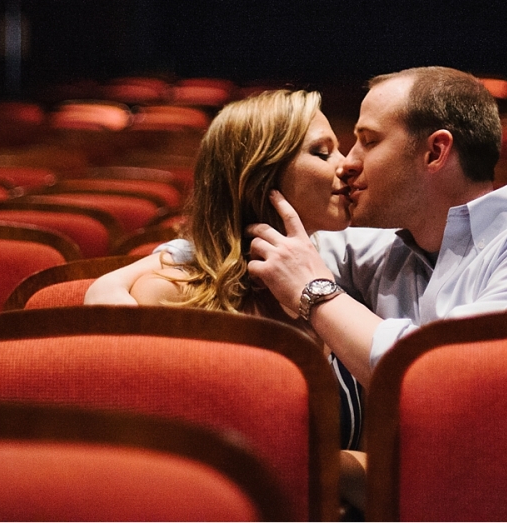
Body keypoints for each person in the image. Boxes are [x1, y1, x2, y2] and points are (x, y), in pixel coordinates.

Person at [246, 66, 507, 389]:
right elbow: (266, 251)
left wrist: (316, 294)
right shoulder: (391, 245)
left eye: (368, 142)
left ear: (435, 152)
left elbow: (438, 376)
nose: (347, 163)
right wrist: (187, 256)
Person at [83, 89, 367, 452]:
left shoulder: (345, 283)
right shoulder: (170, 295)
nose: (344, 165)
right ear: (260, 176)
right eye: (322, 153)